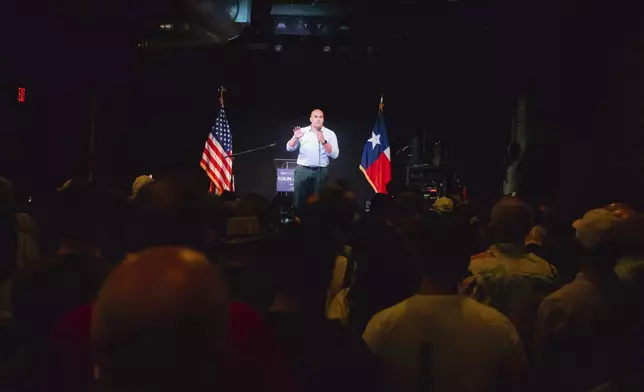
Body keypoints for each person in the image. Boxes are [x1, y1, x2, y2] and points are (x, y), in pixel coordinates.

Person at [286, 109, 339, 211]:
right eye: (316, 117)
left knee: (320, 203)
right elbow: (289, 148)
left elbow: (335, 155)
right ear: (311, 119)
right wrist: (295, 138)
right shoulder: (302, 131)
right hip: (302, 171)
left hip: (321, 172)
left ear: (323, 119)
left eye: (321, 117)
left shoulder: (330, 134)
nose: (318, 119)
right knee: (298, 201)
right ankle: (296, 223)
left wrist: (324, 142)